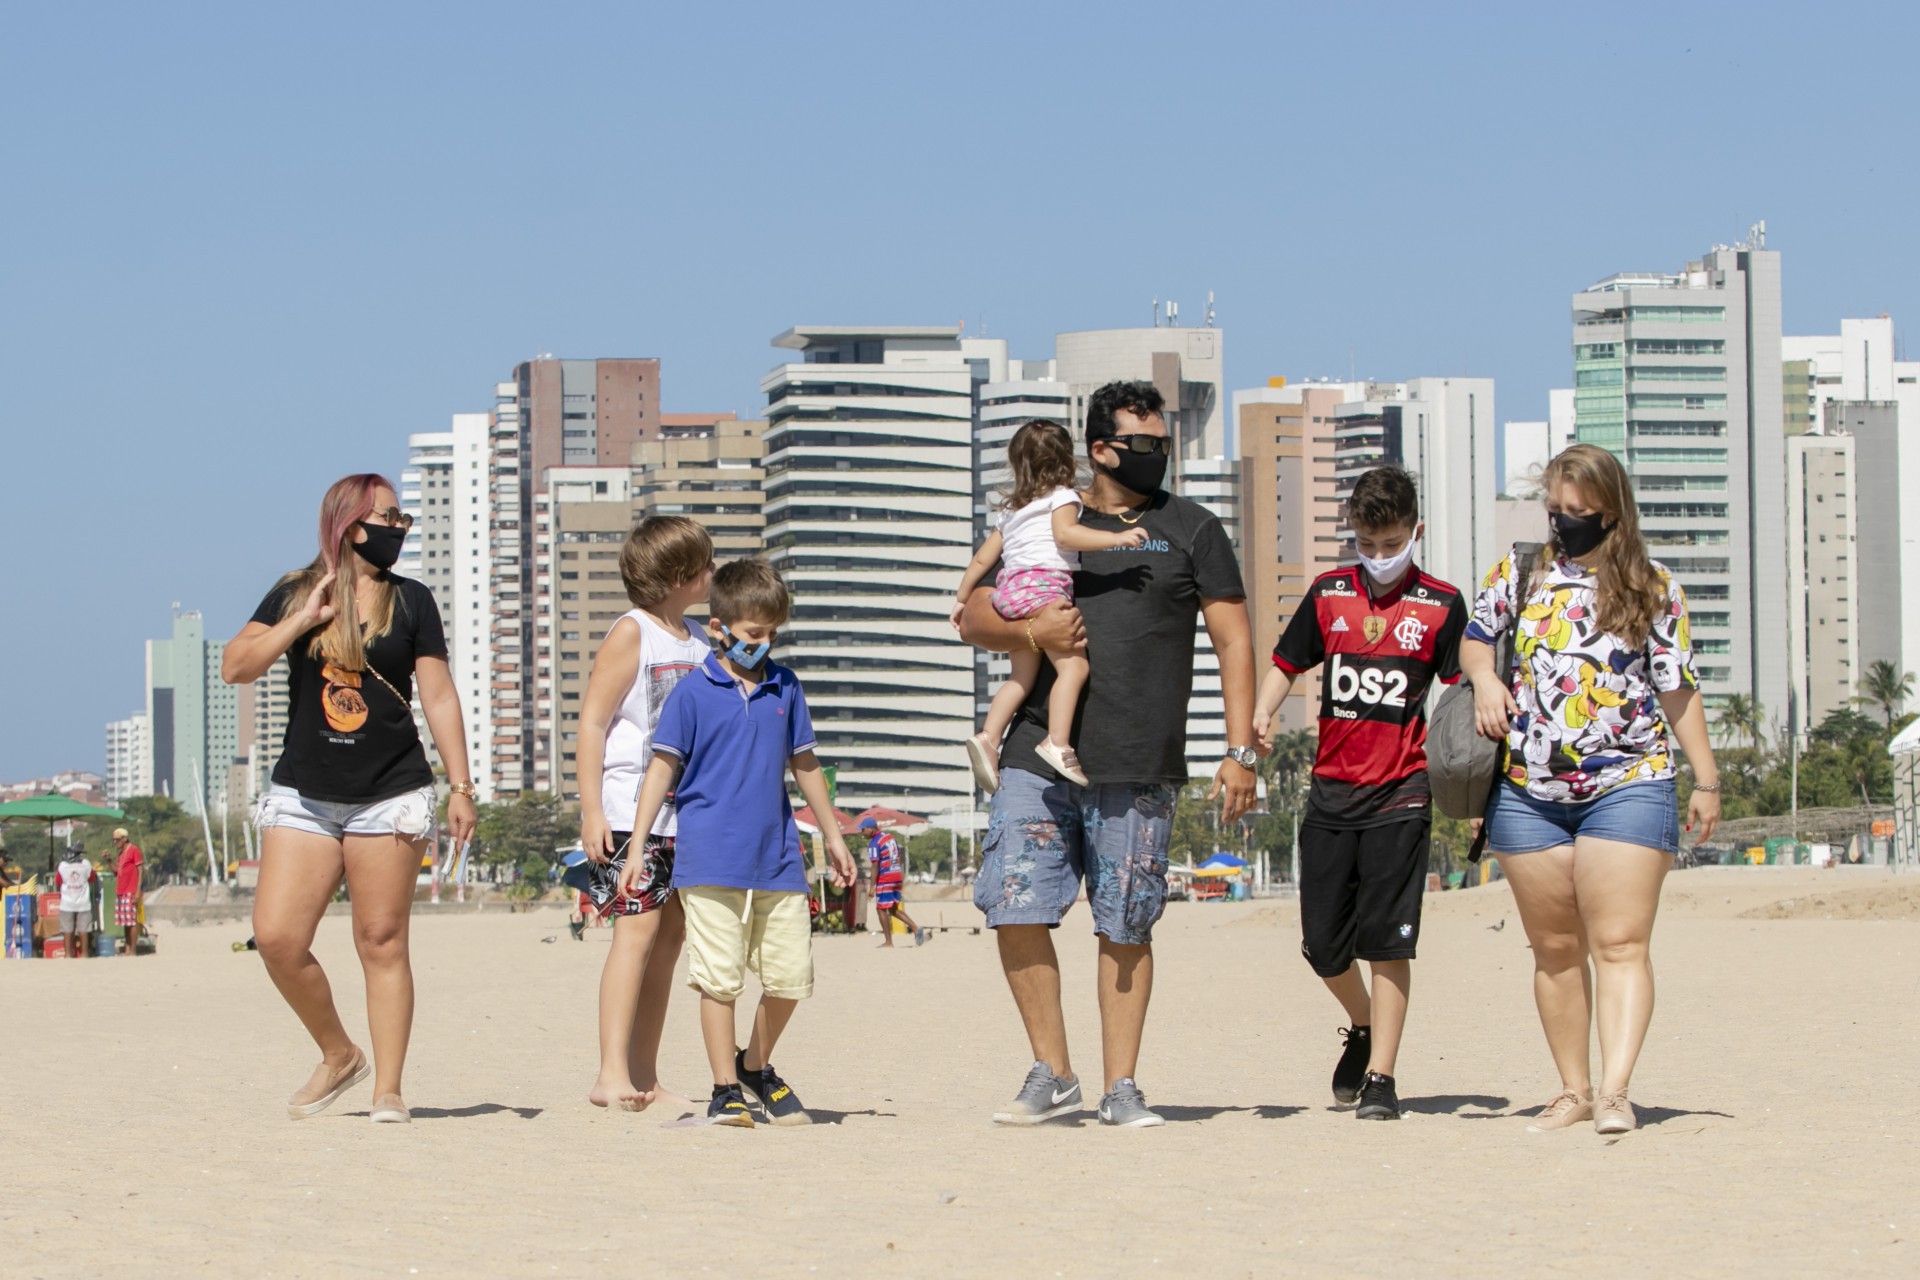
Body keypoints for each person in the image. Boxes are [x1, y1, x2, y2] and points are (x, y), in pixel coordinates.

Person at [957, 380, 1258, 1128]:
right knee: (1015, 902)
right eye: (1144, 444)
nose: (1158, 456)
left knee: (1126, 921)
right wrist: (1035, 637)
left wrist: (1241, 749)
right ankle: (1052, 1072)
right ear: (1100, 448)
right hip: (1038, 750)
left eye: (1165, 445)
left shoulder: (1193, 528)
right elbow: (973, 617)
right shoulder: (1047, 514)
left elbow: (1234, 642)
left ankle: (1121, 1086)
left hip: (1139, 755)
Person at [1462, 443, 1720, 1135]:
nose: (1564, 524)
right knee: (1552, 950)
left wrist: (1707, 778)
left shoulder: (1653, 585)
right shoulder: (1518, 575)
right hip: (1528, 789)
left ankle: (1614, 1090)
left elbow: (1676, 685)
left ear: (1612, 512)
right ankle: (1571, 1090)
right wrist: (1485, 679)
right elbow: (1476, 639)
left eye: (1578, 513)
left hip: (1629, 780)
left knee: (1620, 943)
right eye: (1555, 511)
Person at [222, 473, 478, 1124]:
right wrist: (302, 623)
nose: (400, 528)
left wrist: (462, 785)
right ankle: (339, 1053)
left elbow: (440, 697)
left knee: (382, 939)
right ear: (350, 522)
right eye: (389, 516)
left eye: (404, 519)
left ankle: (388, 1088)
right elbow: (237, 665)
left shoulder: (412, 601)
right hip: (305, 793)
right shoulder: (295, 590)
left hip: (389, 790)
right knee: (277, 938)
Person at [1251, 467, 1468, 1121]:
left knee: (1389, 942)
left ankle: (1381, 1078)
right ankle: (1363, 1023)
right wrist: (1258, 722)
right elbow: (1286, 665)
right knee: (1323, 946)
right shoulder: (1327, 595)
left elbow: (1462, 688)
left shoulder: (1440, 604)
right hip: (1330, 795)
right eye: (1367, 544)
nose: (1378, 557)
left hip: (1402, 791)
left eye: (1391, 543)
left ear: (1415, 533)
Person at [619, 558, 855, 1127]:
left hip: (777, 857)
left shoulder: (786, 686)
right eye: (754, 634)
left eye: (773, 633)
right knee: (719, 978)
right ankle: (725, 1086)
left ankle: (755, 1064)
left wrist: (834, 834)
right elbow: (659, 771)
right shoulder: (692, 694)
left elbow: (806, 765)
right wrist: (636, 845)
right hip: (708, 857)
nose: (764, 643)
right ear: (720, 626)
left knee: (792, 977)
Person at [573, 515, 714, 1111]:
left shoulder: (702, 641)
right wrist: (590, 812)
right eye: (705, 564)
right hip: (632, 812)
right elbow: (593, 722)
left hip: (688, 814)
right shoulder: (632, 633)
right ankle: (610, 1074)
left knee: (669, 940)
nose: (713, 572)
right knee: (635, 934)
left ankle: (645, 1076)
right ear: (679, 575)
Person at [953, 420, 1149, 790]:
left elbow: (982, 561)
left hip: (1009, 594)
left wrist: (962, 599)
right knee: (1074, 668)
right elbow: (1066, 534)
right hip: (1044, 589)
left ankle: (989, 737)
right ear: (1067, 462)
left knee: (1021, 677)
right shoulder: (1064, 497)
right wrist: (1117, 538)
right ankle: (1058, 743)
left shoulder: (1011, 511)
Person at [859, 817, 921, 948]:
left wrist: (872, 887)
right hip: (897, 875)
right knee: (892, 909)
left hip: (886, 877)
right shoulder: (889, 837)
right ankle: (915, 928)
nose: (862, 832)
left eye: (863, 830)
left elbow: (875, 865)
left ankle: (888, 942)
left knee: (880, 909)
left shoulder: (874, 843)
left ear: (870, 828)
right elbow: (898, 856)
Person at [53, 842, 97, 960]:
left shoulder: (62, 866)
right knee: (84, 930)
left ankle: (68, 954)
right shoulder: (86, 864)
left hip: (67, 903)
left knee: (67, 930)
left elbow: (57, 881)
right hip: (83, 903)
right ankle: (84, 954)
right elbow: (92, 878)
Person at [111, 828, 144, 954]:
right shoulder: (121, 854)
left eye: (117, 840)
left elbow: (140, 870)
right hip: (121, 890)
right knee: (125, 922)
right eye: (114, 840)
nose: (115, 842)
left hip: (131, 890)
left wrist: (137, 891)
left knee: (132, 921)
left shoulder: (134, 850)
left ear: (124, 838)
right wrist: (109, 860)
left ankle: (133, 950)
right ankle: (128, 947)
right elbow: (117, 871)